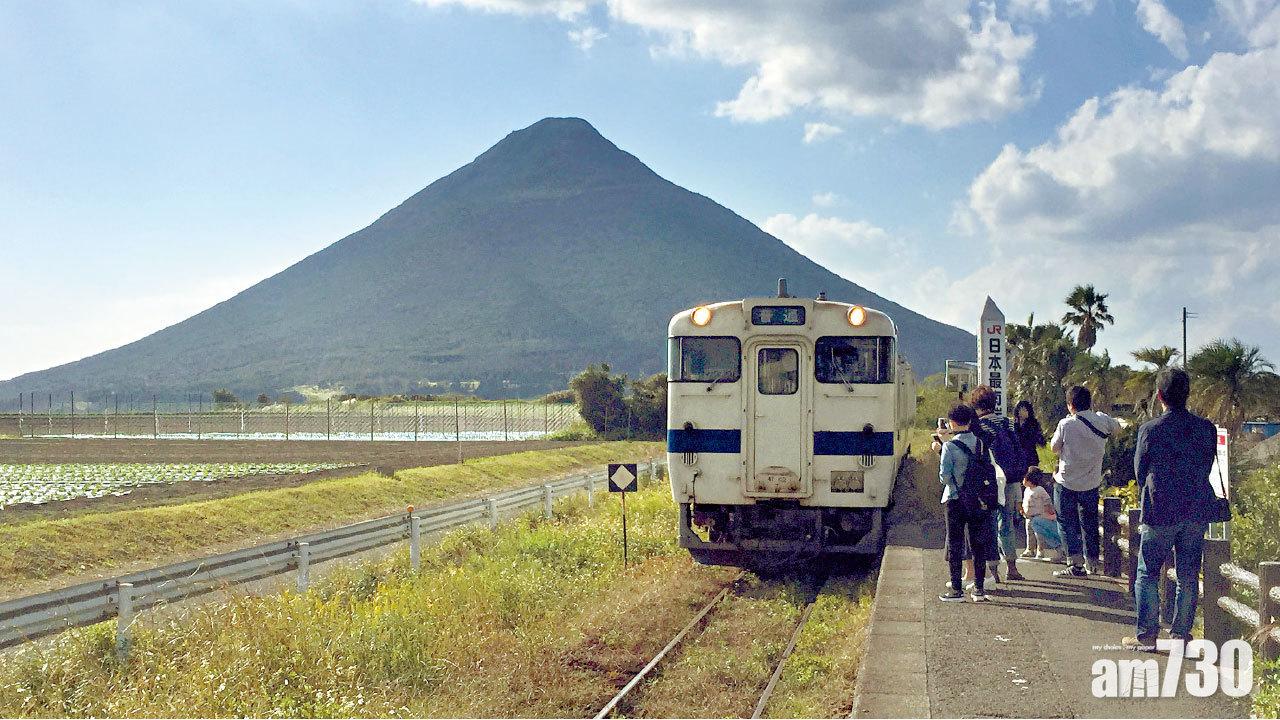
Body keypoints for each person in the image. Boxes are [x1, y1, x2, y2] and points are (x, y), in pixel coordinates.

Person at [1123, 369, 1218, 651]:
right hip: (1195, 509)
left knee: (1148, 573)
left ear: (1160, 396)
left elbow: (1140, 473)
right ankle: (1180, 635)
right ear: (1187, 395)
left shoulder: (1150, 430)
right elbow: (1206, 466)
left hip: (1159, 510)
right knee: (1188, 575)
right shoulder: (1206, 428)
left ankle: (1147, 636)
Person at [1050, 385, 1121, 577]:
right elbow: (1118, 427)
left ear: (1071, 405)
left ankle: (1076, 564)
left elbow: (1054, 448)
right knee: (1089, 523)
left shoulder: (1066, 424)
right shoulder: (1102, 420)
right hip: (1091, 482)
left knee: (1066, 522)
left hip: (1066, 482)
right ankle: (1093, 563)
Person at [937, 403, 997, 603]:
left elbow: (944, 477)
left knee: (955, 543)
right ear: (970, 421)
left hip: (955, 500)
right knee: (977, 544)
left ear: (952, 423)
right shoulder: (980, 443)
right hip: (978, 499)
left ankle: (956, 590)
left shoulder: (949, 446)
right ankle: (978, 590)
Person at [970, 386, 1027, 582]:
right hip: (1011, 479)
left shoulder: (979, 425)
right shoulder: (1007, 422)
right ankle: (1012, 568)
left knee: (990, 525)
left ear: (976, 405)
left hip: (991, 481)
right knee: (1007, 524)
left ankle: (993, 571)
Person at [1021, 469, 1065, 562]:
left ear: (1030, 480)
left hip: (1039, 515)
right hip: (1029, 516)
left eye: (1024, 479)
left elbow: (1047, 500)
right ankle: (1029, 549)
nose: (1023, 481)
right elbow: (1025, 501)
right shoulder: (1027, 490)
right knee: (1029, 533)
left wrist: (1048, 510)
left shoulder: (1039, 490)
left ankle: (1040, 550)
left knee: (1039, 534)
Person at [1014, 400, 1046, 471]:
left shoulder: (1033, 424)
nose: (1023, 412)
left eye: (1025, 410)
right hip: (1017, 457)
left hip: (1030, 456)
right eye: (1021, 410)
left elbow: (1040, 440)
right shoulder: (1014, 424)